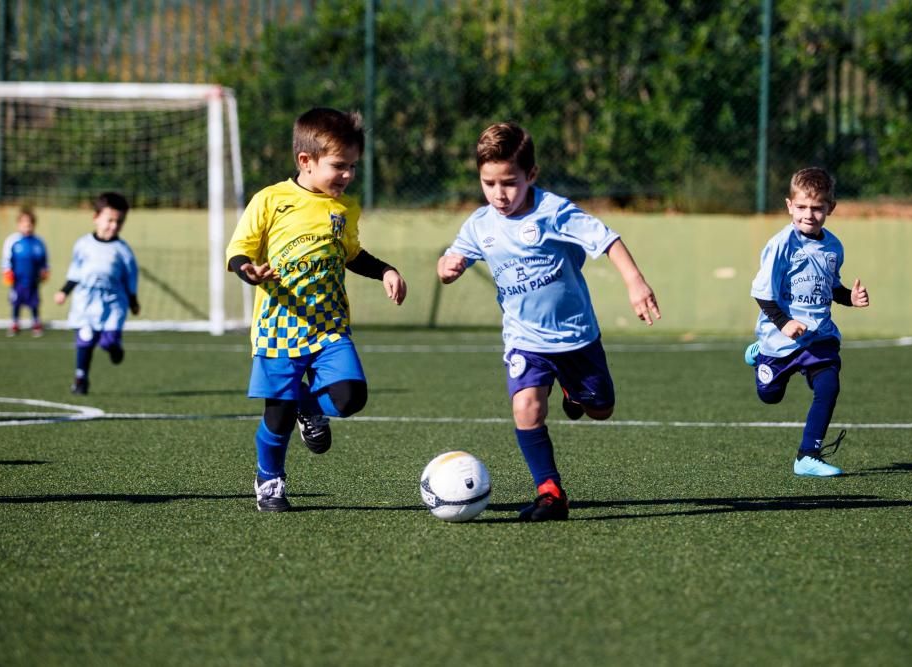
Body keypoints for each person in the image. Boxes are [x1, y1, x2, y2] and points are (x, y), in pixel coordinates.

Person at [436, 122, 660, 522]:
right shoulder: (479, 224)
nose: (499, 194)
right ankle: (550, 492)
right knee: (525, 407)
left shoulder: (554, 211)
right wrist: (448, 267)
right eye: (489, 183)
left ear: (531, 176)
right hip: (525, 340)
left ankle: (575, 394)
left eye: (509, 182)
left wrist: (635, 282)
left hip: (576, 337)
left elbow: (606, 239)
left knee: (601, 409)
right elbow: (455, 256)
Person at [226, 107, 407, 513]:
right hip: (279, 327)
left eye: (353, 167)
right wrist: (248, 270)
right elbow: (239, 249)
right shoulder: (271, 200)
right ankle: (269, 480)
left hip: (328, 326)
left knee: (349, 398)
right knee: (278, 415)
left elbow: (352, 254)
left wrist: (385, 271)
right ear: (305, 161)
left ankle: (309, 405)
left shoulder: (344, 209)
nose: (347, 175)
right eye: (339, 166)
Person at [745, 167, 869, 477]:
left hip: (818, 337)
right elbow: (761, 293)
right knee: (769, 395)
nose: (809, 215)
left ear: (831, 208)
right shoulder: (781, 245)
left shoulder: (833, 246)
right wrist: (784, 323)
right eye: (801, 207)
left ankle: (807, 455)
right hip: (780, 338)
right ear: (789, 206)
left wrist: (848, 298)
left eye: (817, 208)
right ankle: (760, 354)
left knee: (829, 385)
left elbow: (830, 288)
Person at [53, 192, 140, 396]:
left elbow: (131, 278)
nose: (113, 226)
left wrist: (133, 301)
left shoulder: (123, 250)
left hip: (113, 303)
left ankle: (114, 349)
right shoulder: (83, 245)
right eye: (109, 220)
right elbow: (75, 272)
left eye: (119, 222)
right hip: (86, 302)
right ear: (96, 218)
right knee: (85, 337)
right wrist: (64, 291)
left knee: (107, 341)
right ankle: (81, 378)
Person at [1, 207, 49, 337]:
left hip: (33, 279)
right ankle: (15, 323)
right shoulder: (13, 241)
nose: (27, 227)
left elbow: (44, 260)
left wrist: (45, 270)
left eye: (30, 224)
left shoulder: (38, 242)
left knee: (34, 302)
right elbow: (6, 259)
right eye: (24, 224)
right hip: (17, 280)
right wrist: (7, 272)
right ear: (19, 224)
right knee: (16, 302)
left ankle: (36, 323)